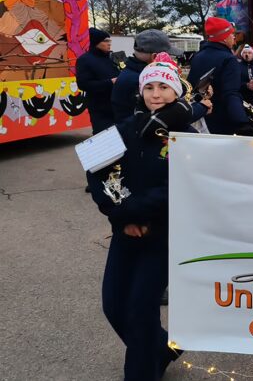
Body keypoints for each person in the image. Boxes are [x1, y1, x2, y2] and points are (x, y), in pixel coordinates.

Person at [87, 53, 195, 381]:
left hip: (162, 236)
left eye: (164, 86)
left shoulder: (187, 135)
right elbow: (94, 169)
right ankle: (161, 347)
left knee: (140, 309)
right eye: (150, 87)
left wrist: (133, 212)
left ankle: (141, 372)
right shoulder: (127, 127)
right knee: (114, 305)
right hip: (125, 232)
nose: (156, 94)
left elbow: (176, 187)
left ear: (177, 91)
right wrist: (120, 216)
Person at [188, 17, 251, 135]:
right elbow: (231, 93)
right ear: (223, 38)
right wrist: (242, 122)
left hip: (201, 115)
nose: (234, 36)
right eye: (231, 33)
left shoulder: (198, 56)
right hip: (222, 120)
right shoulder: (229, 59)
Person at [112, 30, 177, 124]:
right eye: (168, 55)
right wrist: (200, 107)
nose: (170, 59)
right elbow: (162, 116)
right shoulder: (141, 79)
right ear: (155, 57)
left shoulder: (132, 72)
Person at [76, 28, 120, 134]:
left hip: (118, 106)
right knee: (104, 141)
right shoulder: (85, 60)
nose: (109, 44)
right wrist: (110, 82)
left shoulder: (111, 58)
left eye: (109, 41)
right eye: (105, 41)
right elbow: (83, 84)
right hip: (100, 109)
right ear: (96, 42)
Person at [238, 44, 253, 109]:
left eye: (249, 53)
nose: (247, 54)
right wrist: (246, 85)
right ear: (242, 54)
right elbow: (235, 82)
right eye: (245, 53)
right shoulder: (237, 66)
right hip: (242, 98)